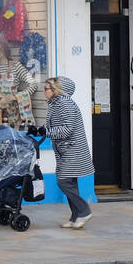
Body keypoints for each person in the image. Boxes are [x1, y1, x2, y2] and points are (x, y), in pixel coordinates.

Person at [43, 76, 94, 229]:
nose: (44, 92)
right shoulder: (55, 104)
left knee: (63, 181)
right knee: (70, 182)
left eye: (46, 89)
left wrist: (46, 132)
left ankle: (84, 211)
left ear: (55, 90)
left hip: (73, 149)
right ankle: (75, 217)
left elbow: (67, 128)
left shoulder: (64, 103)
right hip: (66, 149)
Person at [0, 38, 36, 102]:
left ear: (5, 49)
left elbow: (33, 83)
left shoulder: (16, 66)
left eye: (0, 49)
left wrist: (17, 97)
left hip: (13, 109)